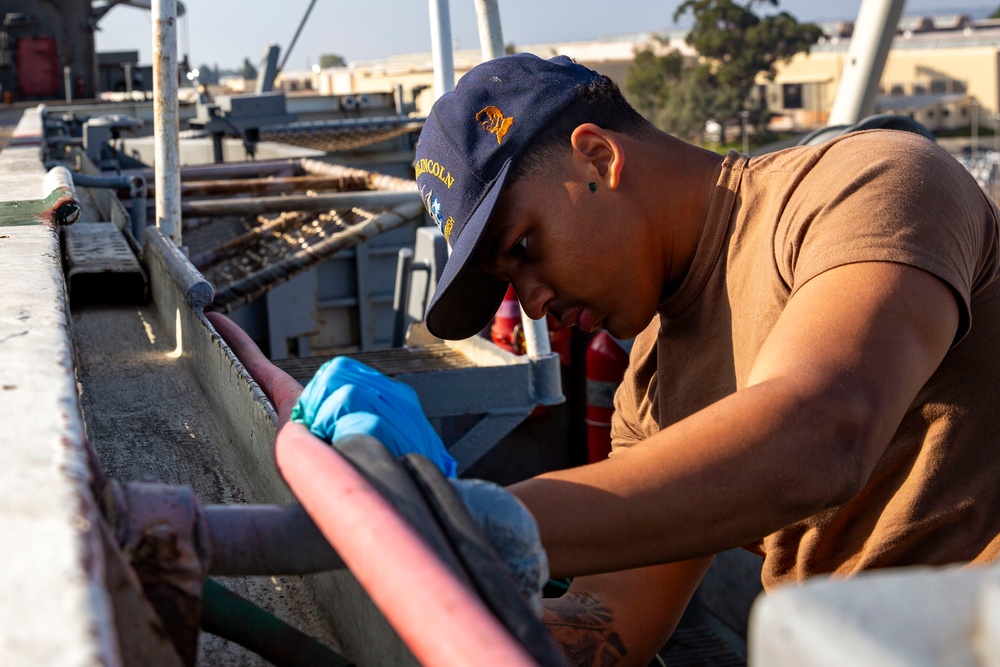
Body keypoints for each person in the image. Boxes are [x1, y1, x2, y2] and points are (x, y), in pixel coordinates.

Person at [214, 52, 1000, 666]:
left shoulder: (864, 187)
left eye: (522, 249)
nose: (529, 302)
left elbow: (823, 432)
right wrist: (407, 583)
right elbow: (613, 623)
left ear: (596, 157)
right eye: (504, 281)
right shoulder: (651, 392)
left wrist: (465, 515)